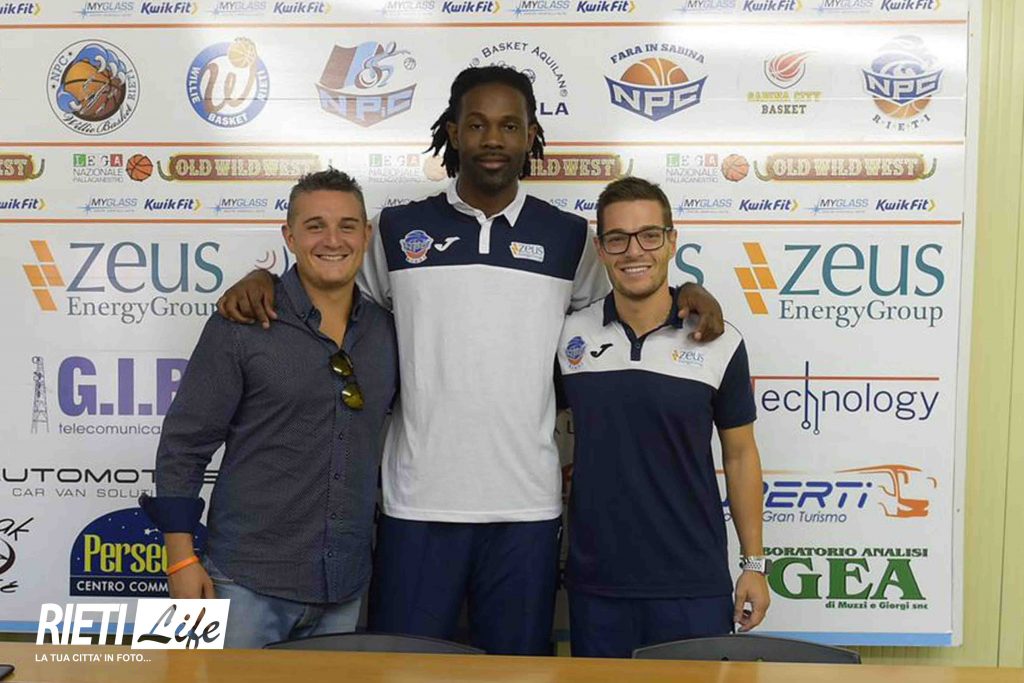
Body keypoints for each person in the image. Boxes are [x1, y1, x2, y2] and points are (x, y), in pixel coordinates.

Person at [216, 66, 724, 655]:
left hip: (526, 508)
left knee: (515, 672)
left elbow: (627, 300)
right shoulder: (397, 229)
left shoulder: (567, 238)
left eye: (509, 125)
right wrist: (266, 279)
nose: (492, 139)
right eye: (477, 124)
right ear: (453, 133)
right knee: (406, 669)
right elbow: (329, 289)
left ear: (531, 135)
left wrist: (687, 291)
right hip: (415, 503)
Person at [140, 169, 398, 649]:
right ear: (290, 236)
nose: (332, 240)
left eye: (346, 226)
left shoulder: (388, 332)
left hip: (345, 586)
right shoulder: (242, 322)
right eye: (315, 226)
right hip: (245, 584)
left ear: (365, 235)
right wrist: (180, 558)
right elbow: (184, 443)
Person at [556, 177, 769, 658]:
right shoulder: (568, 337)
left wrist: (754, 564)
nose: (635, 251)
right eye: (618, 238)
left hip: (693, 584)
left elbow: (740, 456)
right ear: (600, 249)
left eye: (650, 235)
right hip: (597, 585)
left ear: (672, 241)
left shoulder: (719, 340)